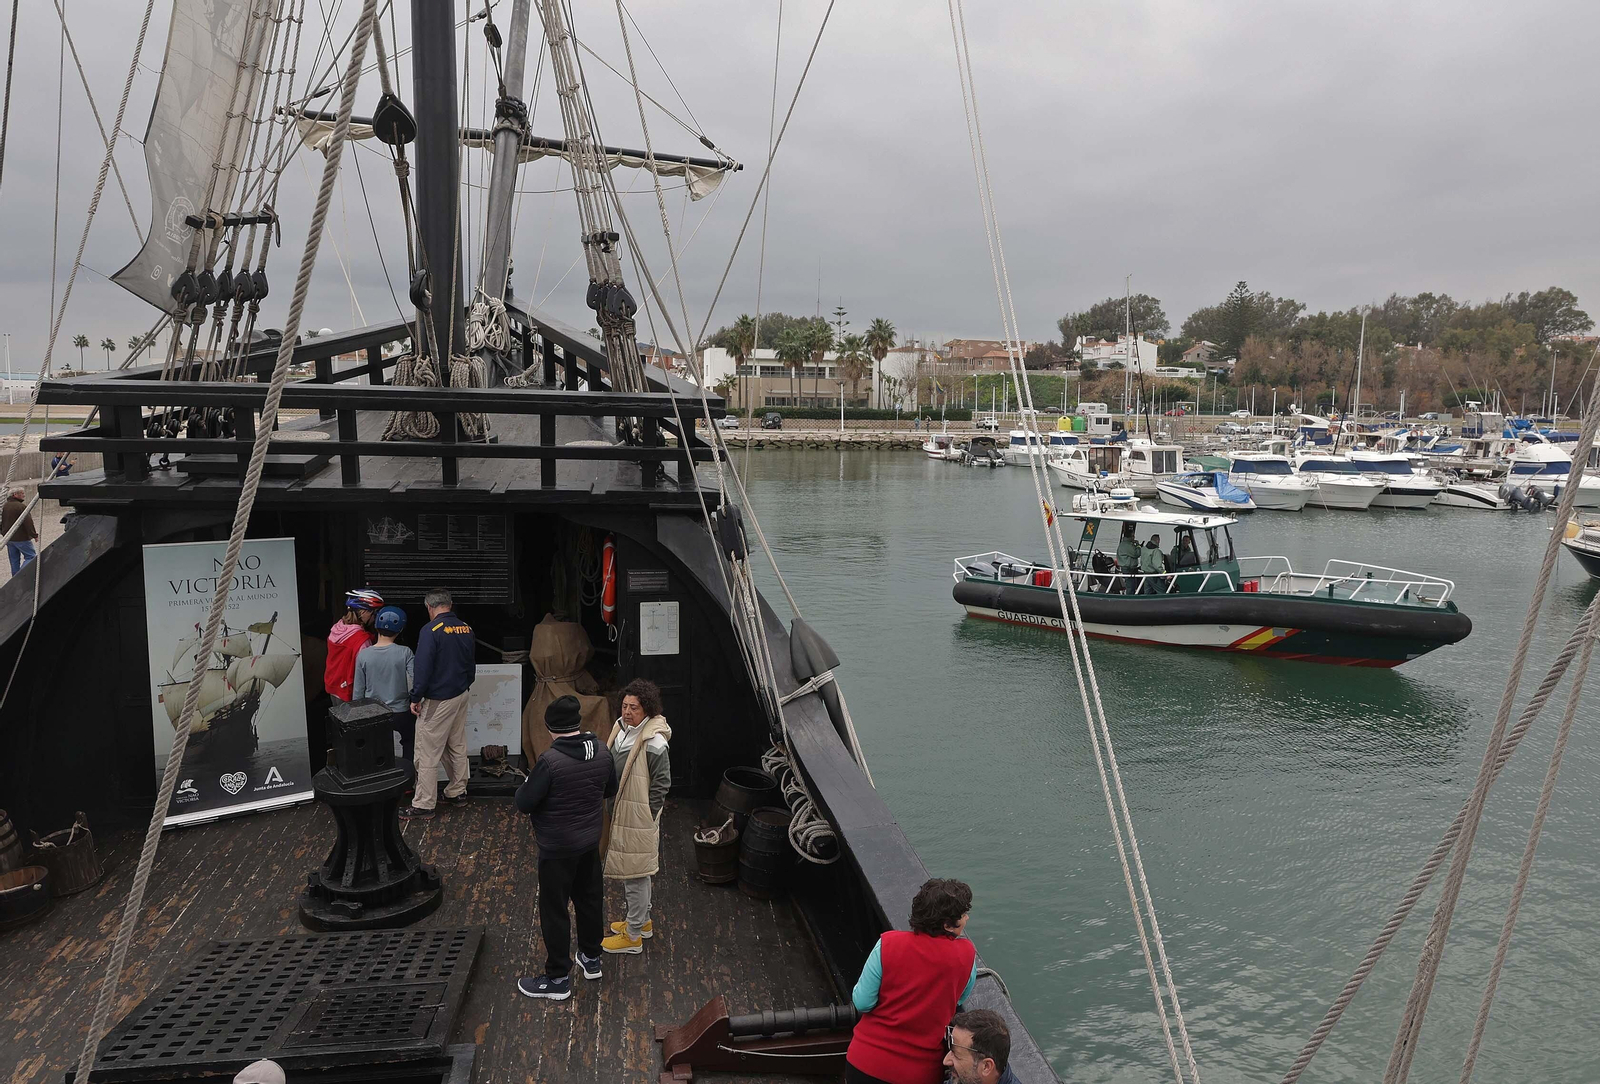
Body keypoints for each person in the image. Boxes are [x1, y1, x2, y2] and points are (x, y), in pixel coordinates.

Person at [514, 695, 618, 1001]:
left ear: (550, 728)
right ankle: (591, 957)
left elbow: (524, 803)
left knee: (555, 909)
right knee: (589, 900)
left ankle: (557, 978)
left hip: (557, 848)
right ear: (577, 723)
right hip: (589, 842)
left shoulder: (549, 762)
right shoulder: (601, 750)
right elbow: (609, 788)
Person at [845, 878, 978, 1084]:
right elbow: (959, 1000)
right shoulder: (966, 955)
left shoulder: (887, 944)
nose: (966, 918)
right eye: (962, 915)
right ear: (947, 925)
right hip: (918, 1074)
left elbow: (862, 1002)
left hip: (864, 1063)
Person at [601, 678, 671, 954]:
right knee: (636, 872)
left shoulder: (653, 741)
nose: (627, 712)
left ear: (648, 710)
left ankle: (632, 937)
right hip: (621, 810)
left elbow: (662, 783)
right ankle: (642, 923)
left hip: (637, 816)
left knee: (636, 875)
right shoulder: (622, 729)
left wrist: (648, 814)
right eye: (625, 705)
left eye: (634, 708)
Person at [401, 589, 476, 820]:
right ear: (450, 605)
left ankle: (424, 804)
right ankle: (457, 792)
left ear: (429, 607)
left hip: (439, 699)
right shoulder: (466, 628)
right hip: (461, 694)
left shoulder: (430, 631)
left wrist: (415, 697)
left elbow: (422, 668)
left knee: (426, 750)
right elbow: (471, 664)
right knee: (456, 743)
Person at [353, 606, 415, 770]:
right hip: (401, 712)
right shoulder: (405, 653)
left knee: (376, 747)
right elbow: (415, 682)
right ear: (400, 629)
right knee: (408, 743)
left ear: (376, 627)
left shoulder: (364, 655)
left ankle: (380, 779)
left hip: (374, 713)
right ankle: (407, 779)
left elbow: (358, 691)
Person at [326, 589, 382, 702]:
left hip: (333, 688)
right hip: (349, 694)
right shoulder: (361, 640)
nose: (375, 617)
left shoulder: (337, 628)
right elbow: (366, 672)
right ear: (363, 612)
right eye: (374, 612)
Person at [943, 1010, 1019, 1084]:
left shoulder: (964, 1077)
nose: (946, 1061)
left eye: (956, 1056)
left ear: (986, 1066)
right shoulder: (965, 1078)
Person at [2, 487, 37, 575]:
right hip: (21, 538)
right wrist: (34, 535)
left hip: (9, 538)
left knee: (14, 560)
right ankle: (20, 575)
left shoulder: (5, 506)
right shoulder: (21, 507)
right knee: (31, 556)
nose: (24, 495)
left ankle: (14, 579)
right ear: (15, 495)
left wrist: (3, 532)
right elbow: (28, 522)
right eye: (21, 493)